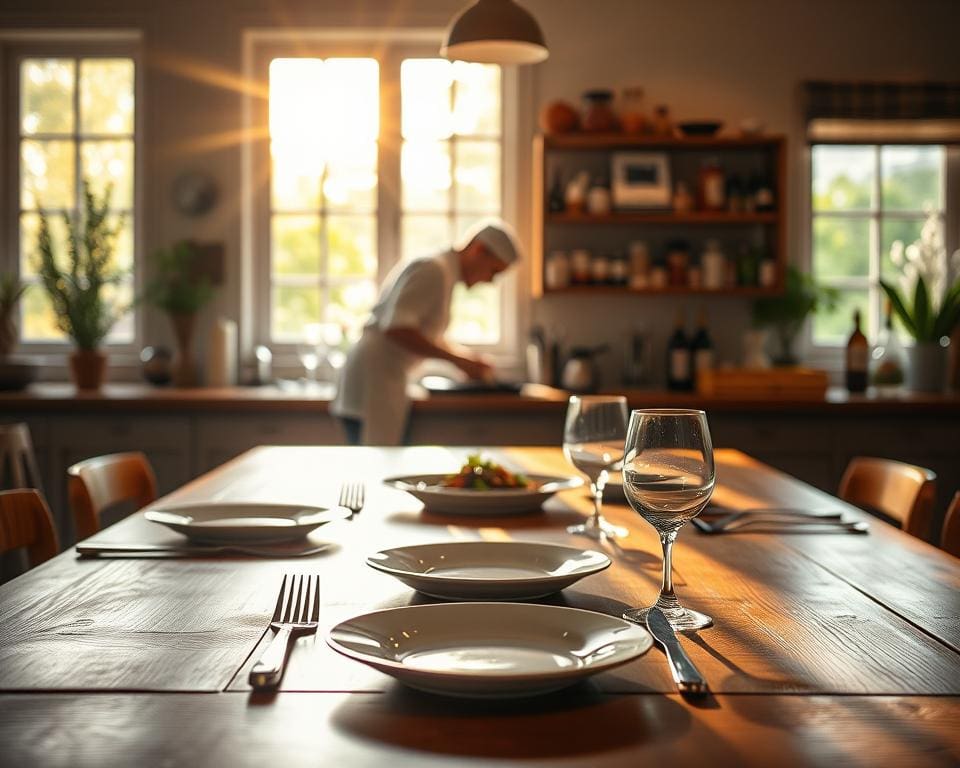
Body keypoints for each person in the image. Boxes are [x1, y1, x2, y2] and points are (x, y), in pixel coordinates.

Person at [332, 220, 522, 445]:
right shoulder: (434, 270)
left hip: (381, 379)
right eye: (494, 271)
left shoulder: (442, 272)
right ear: (478, 250)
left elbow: (424, 334)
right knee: (375, 466)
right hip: (374, 380)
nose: (491, 281)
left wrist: (469, 360)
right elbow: (397, 329)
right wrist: (459, 362)